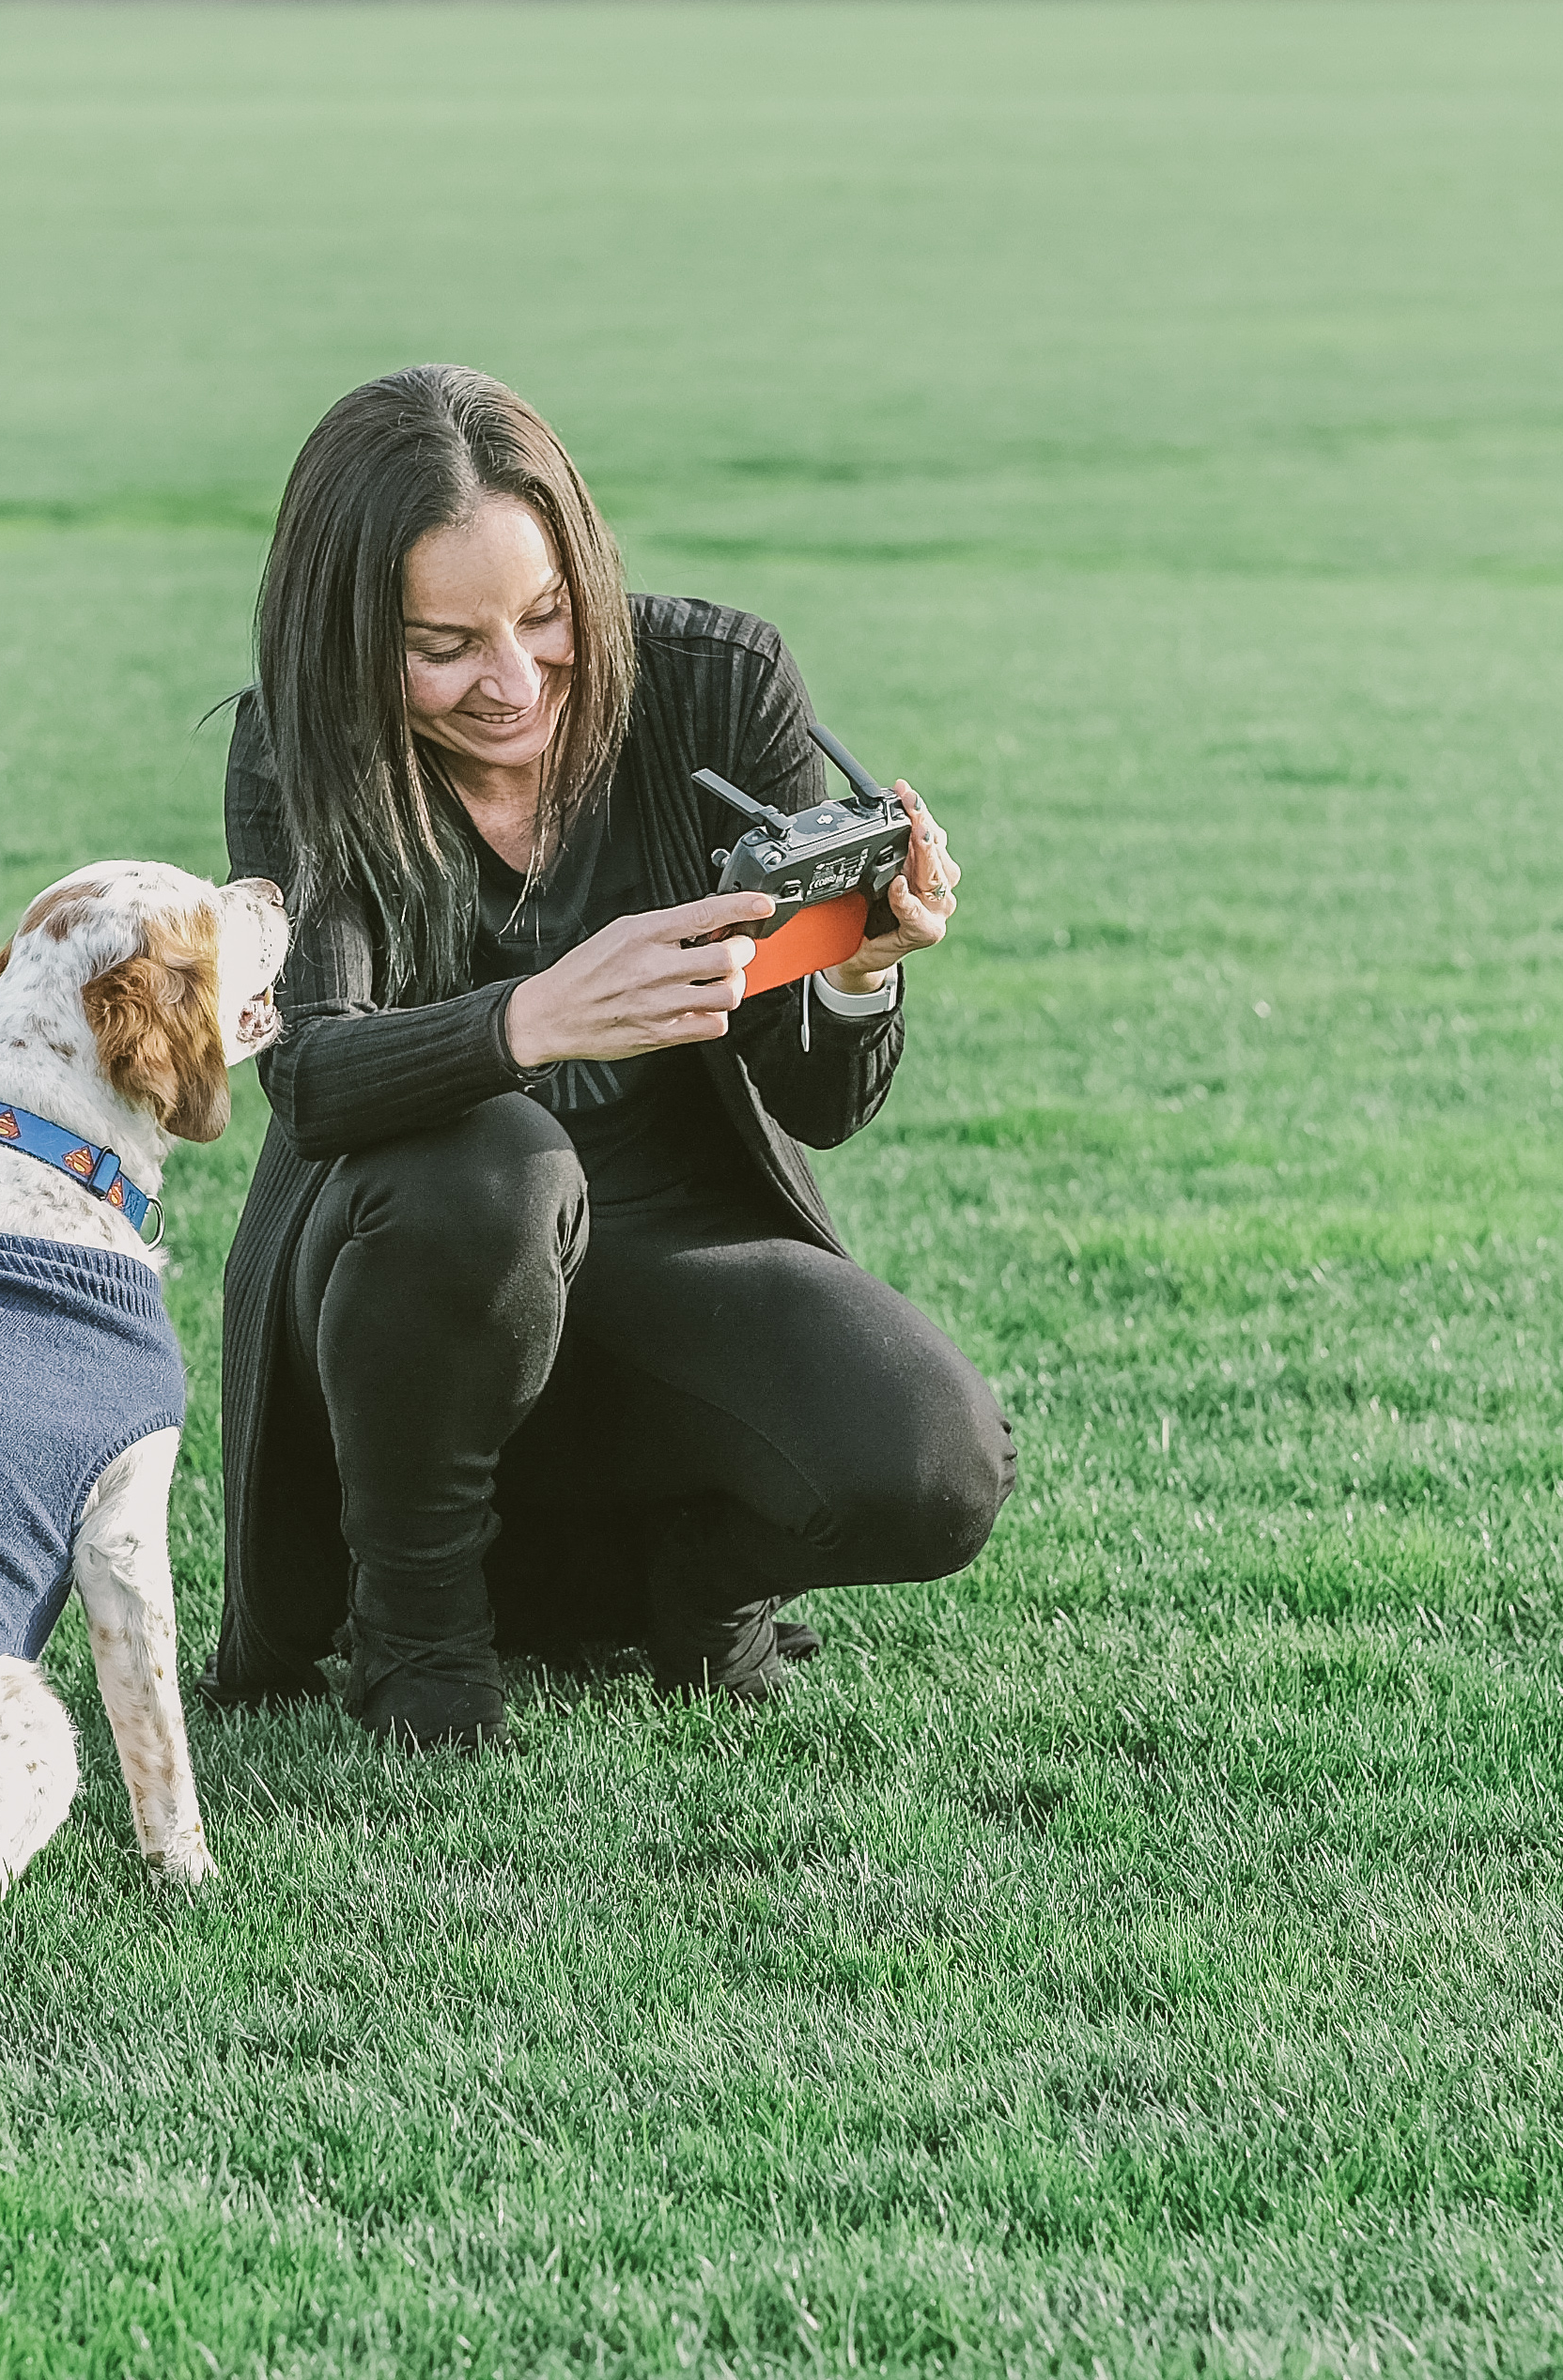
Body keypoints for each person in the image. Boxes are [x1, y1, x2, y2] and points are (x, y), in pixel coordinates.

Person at [208, 363, 1014, 1750]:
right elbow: (314, 1077)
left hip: (663, 1256)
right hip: (414, 1269)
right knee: (501, 1160)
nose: (514, 681)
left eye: (543, 614)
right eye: (444, 644)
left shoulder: (719, 686)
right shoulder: (305, 744)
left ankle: (692, 1597)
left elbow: (818, 1103)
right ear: (348, 634)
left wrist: (862, 966)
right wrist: (535, 1017)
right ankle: (419, 1647)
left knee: (937, 1464)